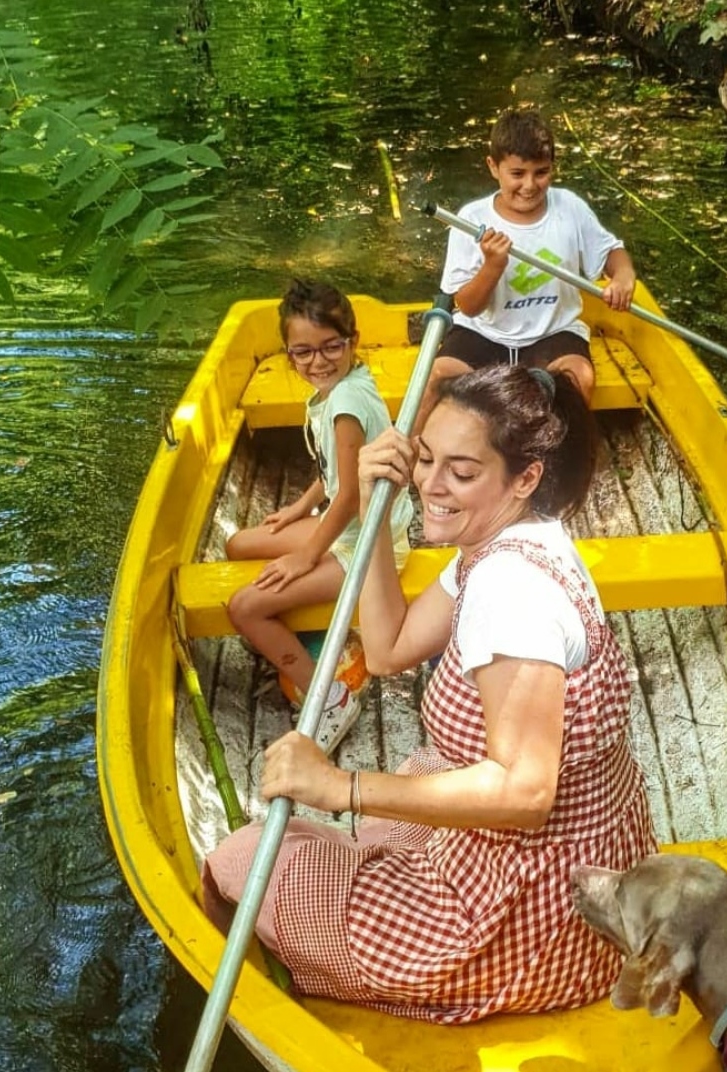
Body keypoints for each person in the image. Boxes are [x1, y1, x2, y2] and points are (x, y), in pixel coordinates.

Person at [203, 363, 657, 1024]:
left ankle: (324, 993)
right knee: (404, 792)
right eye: (426, 458)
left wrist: (341, 786)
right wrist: (370, 498)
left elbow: (525, 796)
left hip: (528, 921)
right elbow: (387, 647)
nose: (431, 486)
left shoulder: (511, 592)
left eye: (462, 472)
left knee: (236, 863)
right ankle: (344, 934)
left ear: (525, 477)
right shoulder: (512, 537)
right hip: (570, 872)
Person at [225, 279, 414, 754]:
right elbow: (335, 472)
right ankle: (308, 625)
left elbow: (350, 496)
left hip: (370, 543)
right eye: (303, 353)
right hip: (344, 523)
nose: (317, 362)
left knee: (244, 607)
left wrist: (304, 558)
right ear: (289, 354)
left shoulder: (345, 405)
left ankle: (330, 695)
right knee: (238, 546)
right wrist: (301, 506)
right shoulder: (338, 387)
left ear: (352, 341)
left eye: (331, 347)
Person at [418, 107, 637, 430]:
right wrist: (493, 265)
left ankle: (557, 462)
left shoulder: (570, 208)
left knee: (579, 377)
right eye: (517, 174)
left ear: (553, 168)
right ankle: (412, 463)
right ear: (494, 167)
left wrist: (623, 276)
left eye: (541, 172)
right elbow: (467, 306)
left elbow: (612, 252)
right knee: (436, 378)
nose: (530, 185)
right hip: (485, 331)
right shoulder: (472, 218)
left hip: (553, 331)